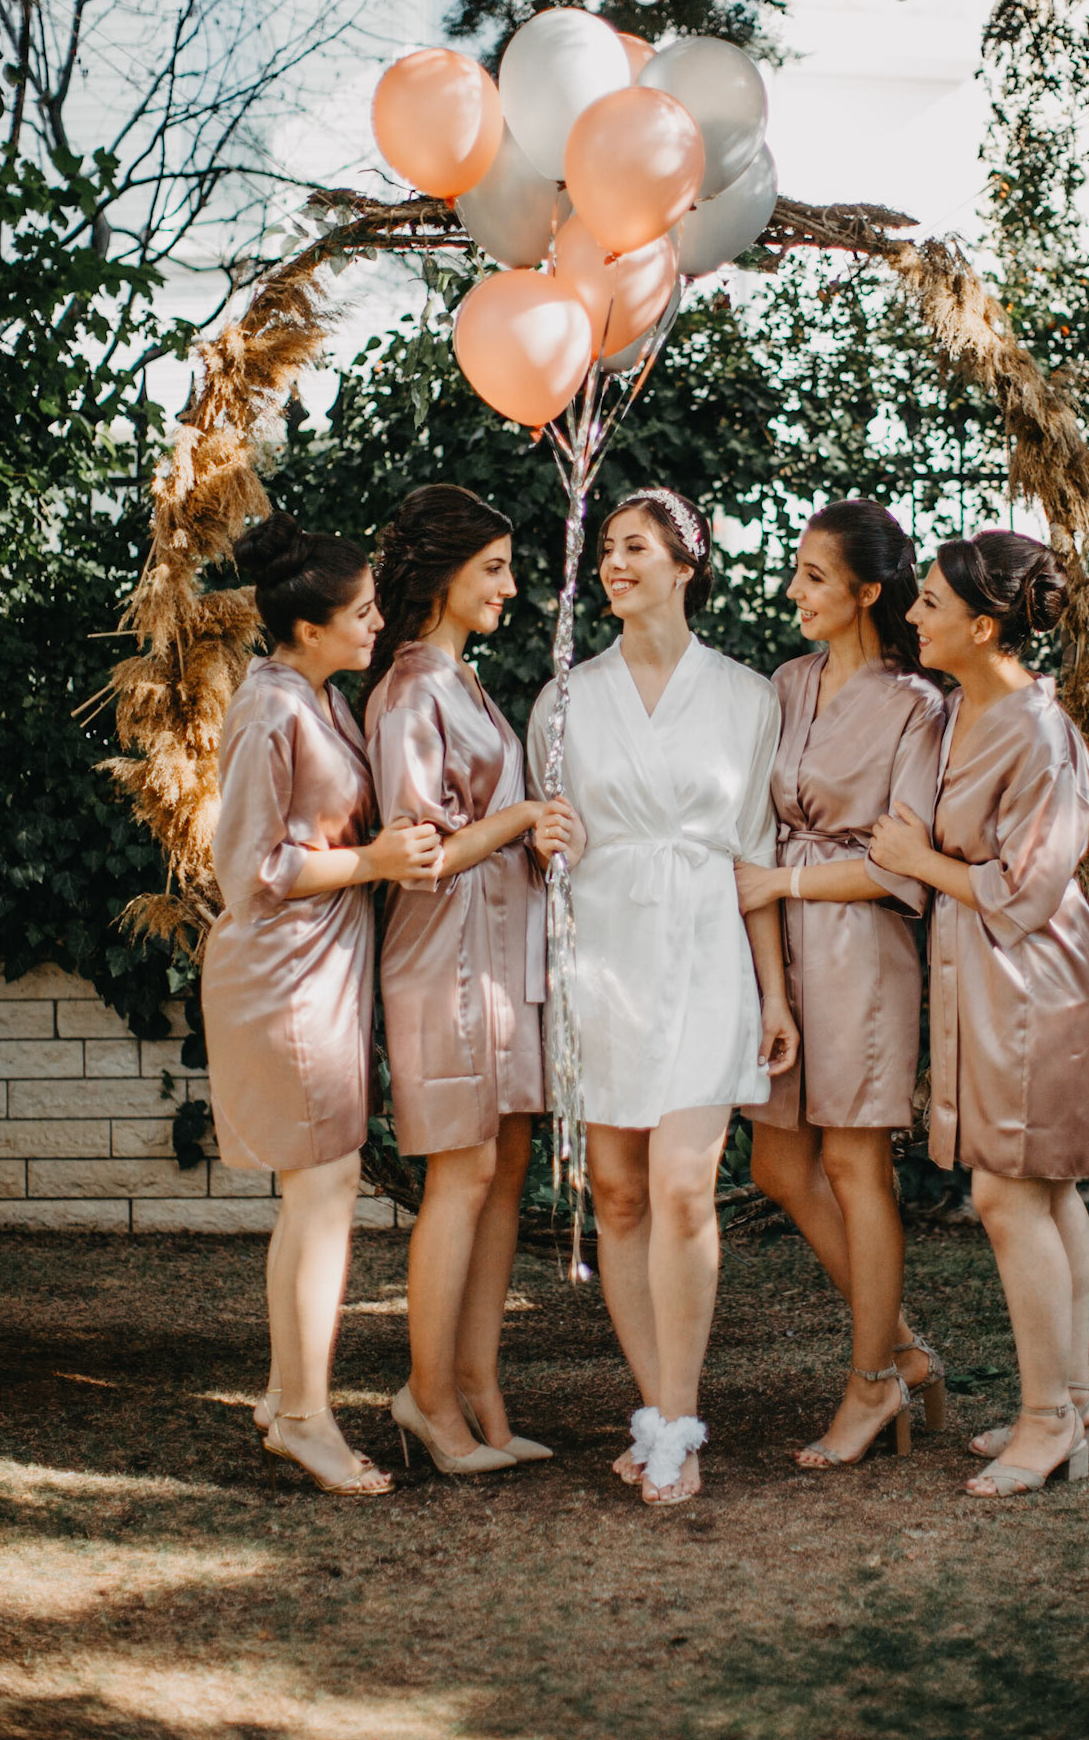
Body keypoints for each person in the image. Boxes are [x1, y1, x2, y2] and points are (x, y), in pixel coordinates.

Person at [527, 488, 798, 1506]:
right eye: (605, 547)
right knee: (618, 1192)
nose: (613, 562)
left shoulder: (747, 697)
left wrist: (775, 992)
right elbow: (550, 842)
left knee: (684, 1183)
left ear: (685, 565)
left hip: (707, 952)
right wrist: (543, 839)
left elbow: (754, 854)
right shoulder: (563, 700)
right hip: (600, 955)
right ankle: (653, 1416)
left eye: (635, 546)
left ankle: (680, 1425)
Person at [202, 511, 441, 1497]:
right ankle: (306, 1416)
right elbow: (249, 868)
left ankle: (282, 1395)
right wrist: (374, 861)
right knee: (325, 1187)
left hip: (322, 966)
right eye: (364, 611)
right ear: (309, 628)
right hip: (283, 971)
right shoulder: (270, 709)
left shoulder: (319, 695)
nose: (379, 622)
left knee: (318, 1187)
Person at [868, 529, 1089, 1499]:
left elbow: (1027, 888)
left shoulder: (1038, 733)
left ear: (980, 624)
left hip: (1034, 978)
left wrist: (918, 861)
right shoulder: (959, 708)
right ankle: (1074, 1398)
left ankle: (1046, 1420)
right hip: (981, 970)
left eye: (929, 600)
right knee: (1044, 1189)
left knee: (1010, 1194)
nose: (911, 614)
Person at [363, 485, 581, 1477]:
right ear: (444, 573)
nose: (509, 584)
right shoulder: (411, 690)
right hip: (444, 954)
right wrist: (525, 816)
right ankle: (429, 1398)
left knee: (503, 1165)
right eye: (493, 567)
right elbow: (421, 852)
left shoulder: (464, 680)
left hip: (499, 956)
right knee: (461, 1171)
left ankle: (481, 1384)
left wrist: (533, 837)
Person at [734, 501, 947, 1466]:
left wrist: (781, 882)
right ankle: (900, 1351)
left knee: (857, 1167)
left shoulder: (917, 705)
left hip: (861, 952)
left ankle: (869, 1385)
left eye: (813, 576)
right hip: (776, 948)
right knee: (778, 1167)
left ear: (866, 592)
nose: (793, 590)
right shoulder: (786, 683)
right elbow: (753, 823)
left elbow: (900, 866)